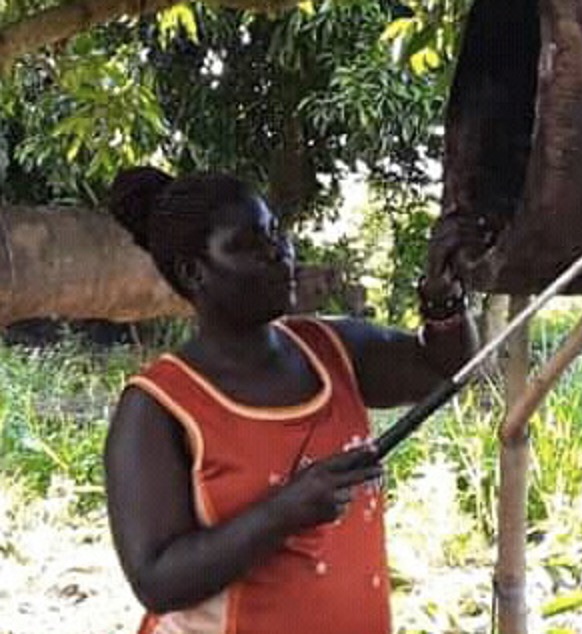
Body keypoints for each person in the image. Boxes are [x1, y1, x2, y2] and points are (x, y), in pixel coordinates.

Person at [103, 166, 480, 634]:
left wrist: (443, 298)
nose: (278, 252)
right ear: (193, 272)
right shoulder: (160, 406)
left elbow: (440, 371)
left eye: (274, 231)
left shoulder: (331, 349)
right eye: (247, 244)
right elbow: (157, 580)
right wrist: (286, 511)